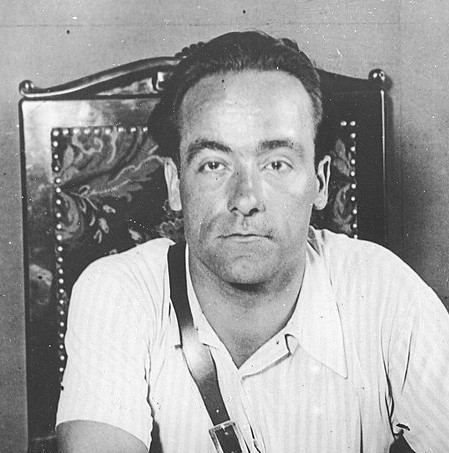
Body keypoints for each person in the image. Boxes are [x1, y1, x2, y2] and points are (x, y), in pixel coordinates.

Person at [56, 31, 449, 453]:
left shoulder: (385, 292)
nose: (245, 199)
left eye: (276, 164)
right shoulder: (120, 293)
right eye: (213, 165)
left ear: (320, 182)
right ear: (174, 183)